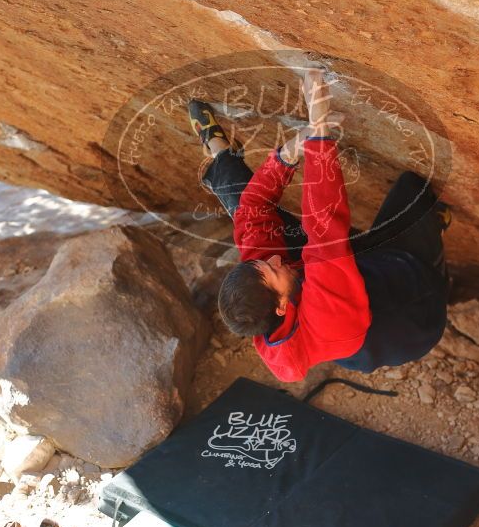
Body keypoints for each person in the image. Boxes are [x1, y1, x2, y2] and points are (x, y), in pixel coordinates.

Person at [188, 68, 451, 382]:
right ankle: (434, 232)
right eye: (273, 270)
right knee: (414, 191)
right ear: (283, 306)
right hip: (408, 302)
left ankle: (219, 154)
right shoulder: (328, 318)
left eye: (262, 263)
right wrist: (319, 129)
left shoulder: (262, 290)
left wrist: (286, 156)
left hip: (340, 271)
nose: (273, 259)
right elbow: (324, 225)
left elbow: (253, 211)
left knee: (244, 210)